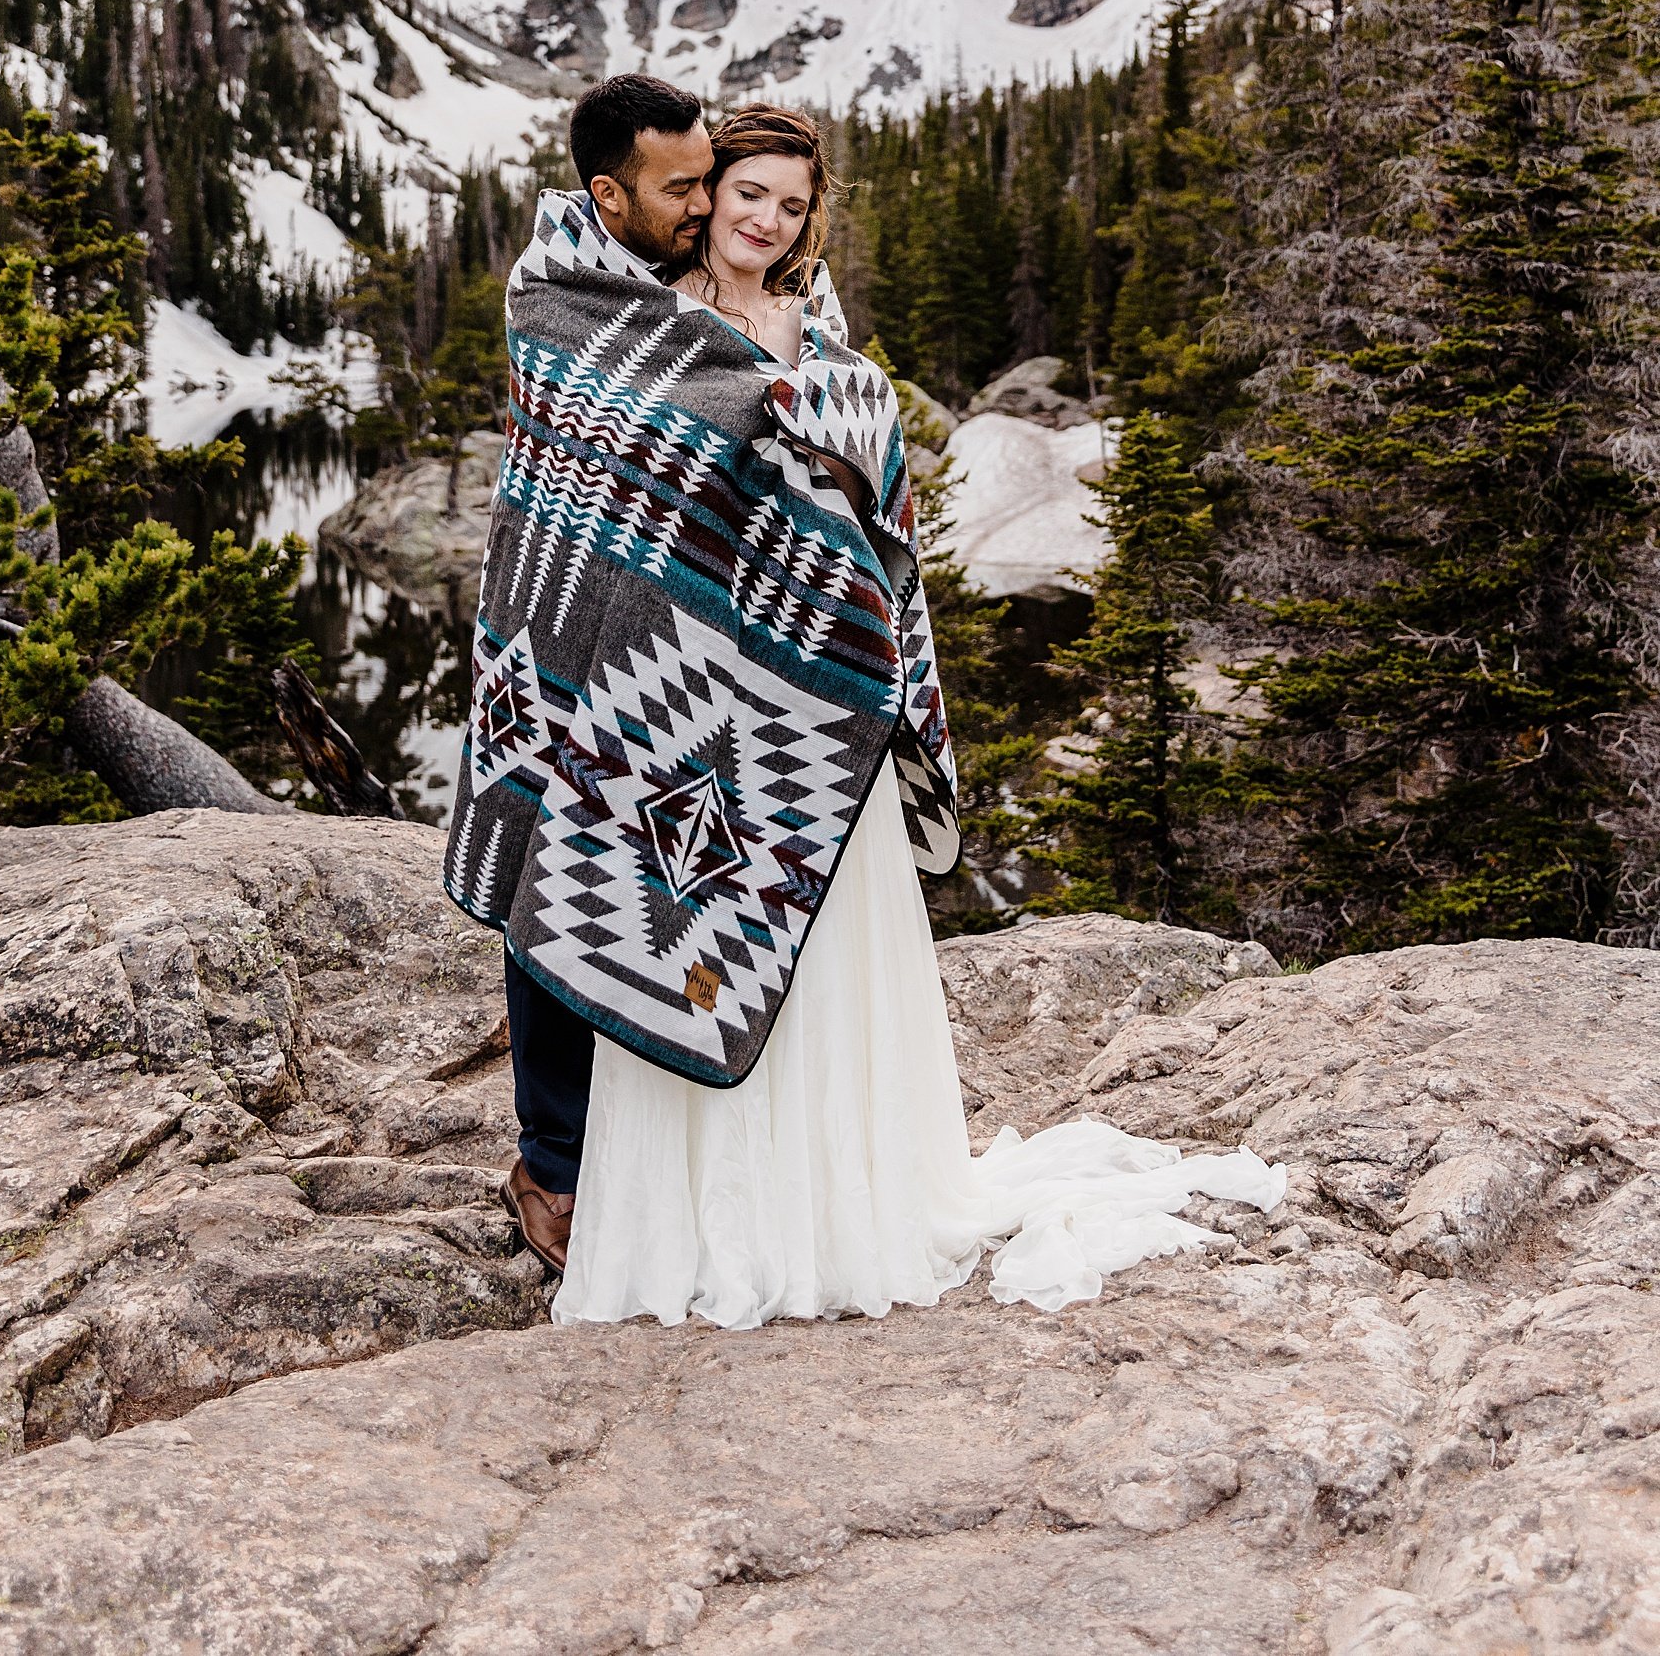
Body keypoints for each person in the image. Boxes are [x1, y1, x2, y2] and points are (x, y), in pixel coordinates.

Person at [447, 84, 1284, 1326]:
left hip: (780, 700)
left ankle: (792, 1174)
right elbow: (602, 460)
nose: (759, 222)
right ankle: (564, 1168)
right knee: (577, 882)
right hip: (623, 671)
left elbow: (862, 503)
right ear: (689, 191)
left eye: (790, 205)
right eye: (734, 194)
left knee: (764, 911)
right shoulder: (606, 311)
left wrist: (823, 432)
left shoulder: (818, 332)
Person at [493, 72, 715, 1274]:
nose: (706, 198)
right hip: (565, 634)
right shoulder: (556, 292)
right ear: (606, 194)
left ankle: (658, 1139)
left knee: (670, 878)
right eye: (680, 185)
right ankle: (552, 1163)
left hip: (683, 656)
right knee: (553, 880)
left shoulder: (716, 278)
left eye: (707, 172)